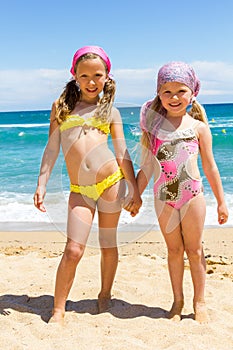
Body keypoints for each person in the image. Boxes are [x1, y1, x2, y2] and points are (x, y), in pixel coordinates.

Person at [33, 45, 142, 324]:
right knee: (74, 249)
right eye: (85, 76)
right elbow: (51, 148)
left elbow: (121, 154)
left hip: (111, 184)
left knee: (108, 243)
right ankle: (58, 309)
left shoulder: (110, 112)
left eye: (98, 75)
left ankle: (104, 295)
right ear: (75, 76)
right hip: (79, 190)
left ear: (107, 76)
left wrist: (134, 189)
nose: (91, 81)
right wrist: (41, 183)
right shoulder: (62, 108)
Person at [134, 61, 228, 323]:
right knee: (174, 251)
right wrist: (136, 196)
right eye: (167, 92)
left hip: (193, 197)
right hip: (164, 198)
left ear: (192, 93)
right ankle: (177, 300)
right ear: (158, 95)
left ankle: (200, 302)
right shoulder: (153, 129)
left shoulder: (198, 128)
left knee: (195, 250)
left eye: (180, 91)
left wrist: (221, 202)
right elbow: (147, 167)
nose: (174, 98)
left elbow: (210, 167)